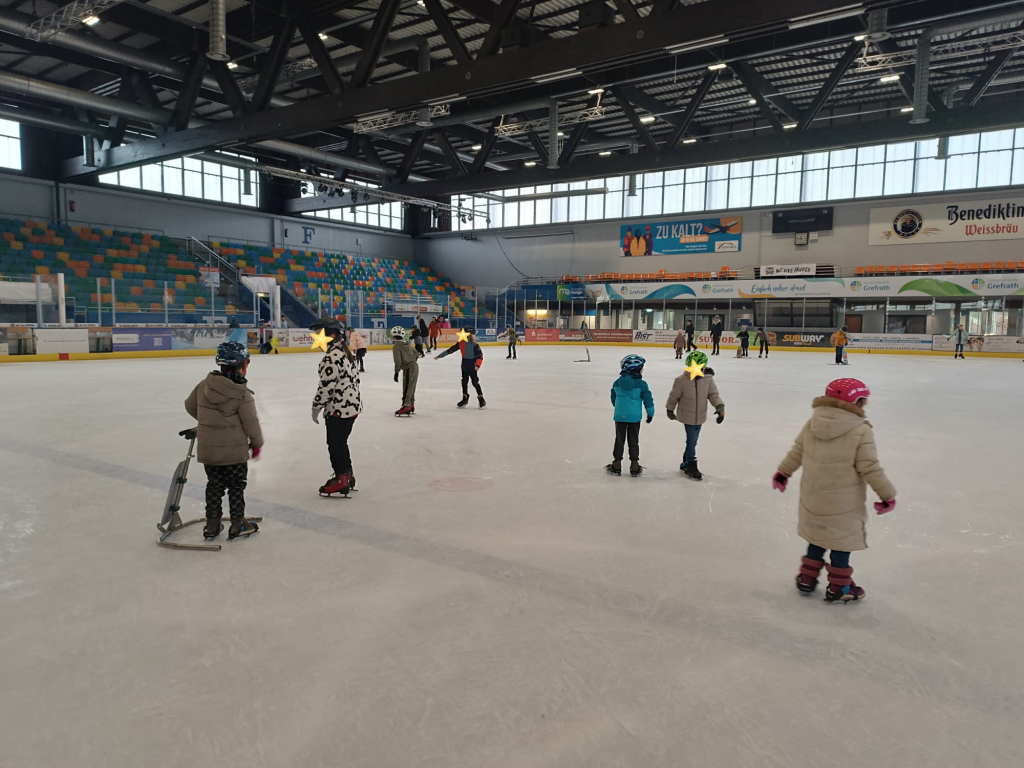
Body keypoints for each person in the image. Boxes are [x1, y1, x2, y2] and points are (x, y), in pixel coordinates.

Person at [773, 378, 897, 602]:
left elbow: (797, 450)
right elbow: (869, 467)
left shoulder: (813, 422)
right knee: (841, 541)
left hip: (813, 496)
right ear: (857, 402)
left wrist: (783, 472)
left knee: (817, 536)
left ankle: (806, 579)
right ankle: (840, 587)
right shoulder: (860, 430)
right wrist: (887, 495)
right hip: (843, 503)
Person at [184, 340, 263, 541]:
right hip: (234, 454)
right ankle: (238, 524)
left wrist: (210, 423)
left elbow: (190, 406)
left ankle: (212, 524)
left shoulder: (204, 385)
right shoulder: (242, 393)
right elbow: (251, 423)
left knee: (214, 486)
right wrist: (257, 444)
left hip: (209, 451)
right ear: (244, 365)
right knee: (236, 487)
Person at [311, 319, 362, 497]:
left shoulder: (331, 357)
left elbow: (326, 386)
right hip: (352, 407)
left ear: (331, 335)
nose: (316, 338)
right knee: (341, 443)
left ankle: (341, 480)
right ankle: (347, 474)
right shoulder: (345, 353)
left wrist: (316, 406)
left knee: (335, 445)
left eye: (319, 334)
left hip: (338, 409)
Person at [666, 350, 725, 481]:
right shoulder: (681, 380)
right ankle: (691, 465)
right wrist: (670, 410)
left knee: (693, 441)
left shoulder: (708, 379)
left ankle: (685, 463)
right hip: (687, 415)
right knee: (692, 441)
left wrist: (719, 406)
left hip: (701, 416)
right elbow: (673, 397)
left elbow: (713, 395)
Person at [606, 354, 655, 477]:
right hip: (634, 418)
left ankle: (617, 464)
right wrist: (650, 413)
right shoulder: (641, 384)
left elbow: (613, 398)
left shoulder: (617, 382)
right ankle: (634, 465)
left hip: (619, 416)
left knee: (619, 439)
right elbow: (648, 399)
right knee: (633, 440)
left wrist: (619, 409)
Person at [436, 327, 485, 408]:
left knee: (475, 382)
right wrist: (440, 356)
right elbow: (451, 350)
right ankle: (465, 398)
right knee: (464, 382)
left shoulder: (475, 345)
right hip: (464, 364)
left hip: (472, 365)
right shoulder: (461, 343)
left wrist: (477, 365)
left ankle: (481, 398)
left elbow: (480, 356)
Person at [391, 326, 418, 416]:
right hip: (415, 366)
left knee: (407, 387)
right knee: (411, 386)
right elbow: (416, 354)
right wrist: (412, 360)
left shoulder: (396, 347)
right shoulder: (407, 344)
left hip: (408, 368)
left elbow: (397, 361)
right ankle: (411, 404)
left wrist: (396, 372)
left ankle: (406, 405)